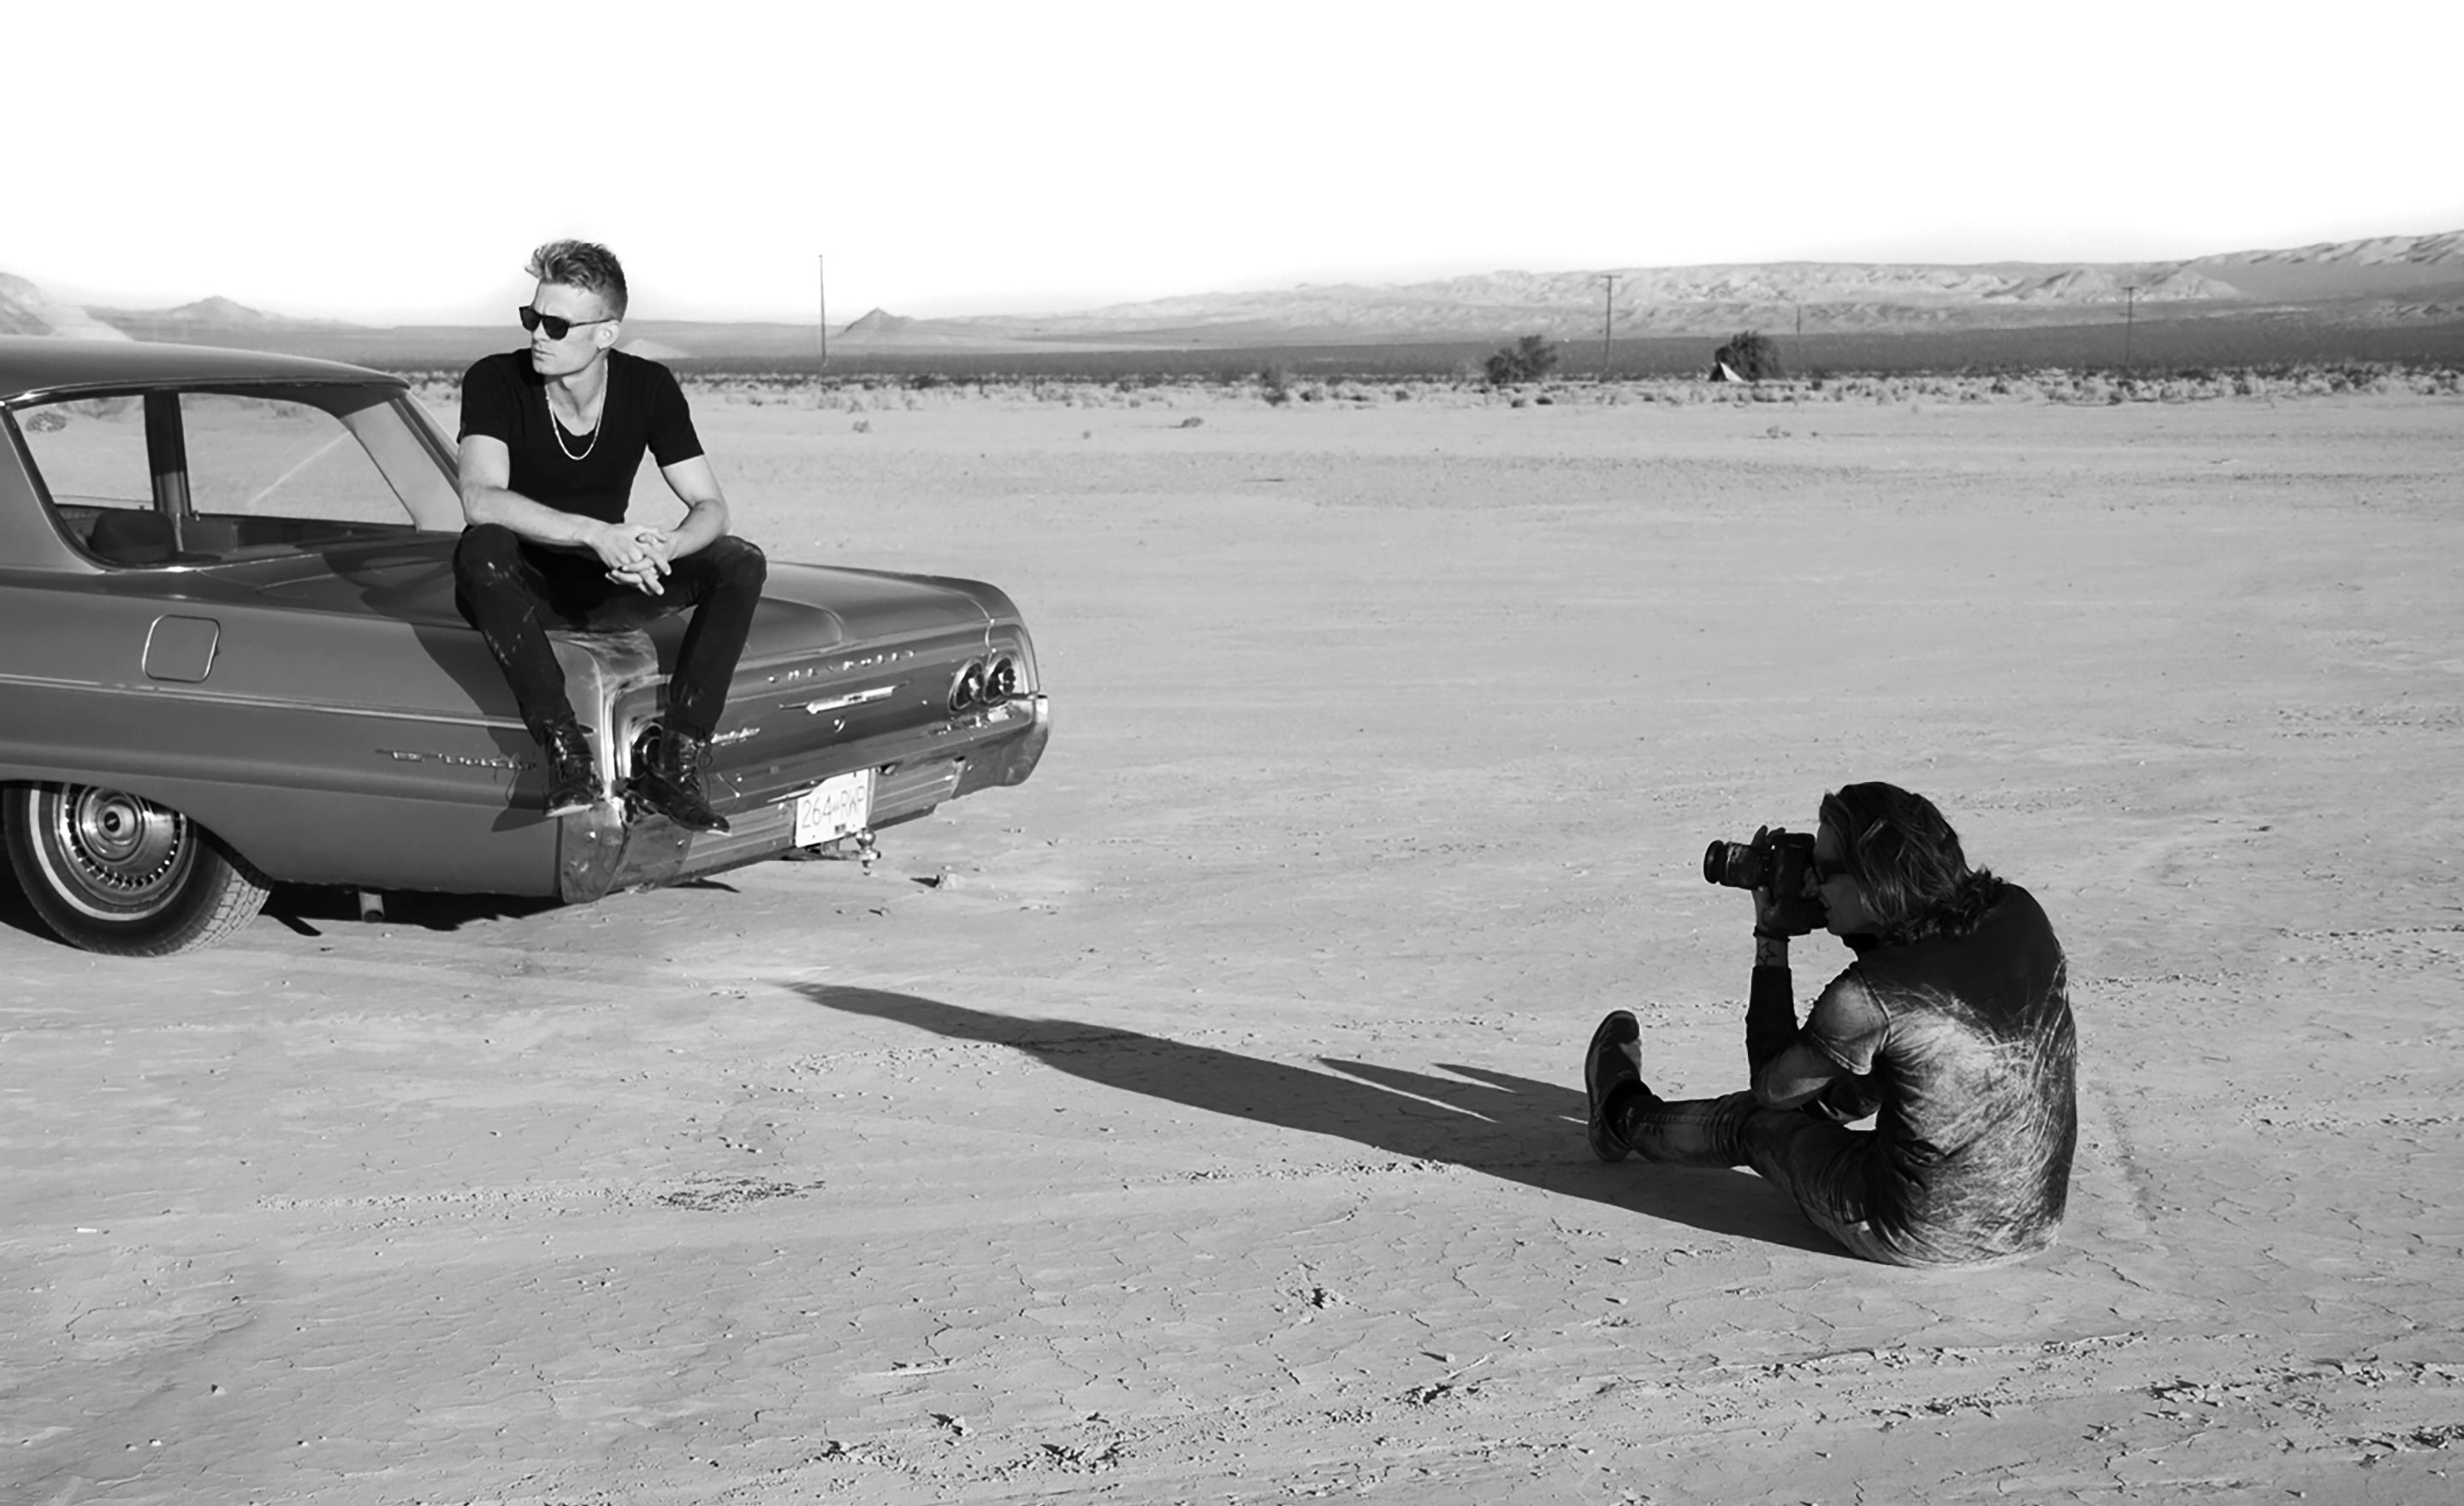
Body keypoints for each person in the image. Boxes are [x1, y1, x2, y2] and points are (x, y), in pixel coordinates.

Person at [1584, 782, 2077, 1268]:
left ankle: (1622, 1116)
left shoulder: (1868, 996)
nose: (1811, 884)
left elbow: (1772, 1089)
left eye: (1821, 870)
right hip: (2033, 1218)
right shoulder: (2021, 913)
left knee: (1753, 1123)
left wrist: (1772, 937)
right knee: (1890, 1064)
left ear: (1873, 878)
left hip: (1917, 1231)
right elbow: (1915, 973)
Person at [453, 240, 766, 832]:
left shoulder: (648, 387)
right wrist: (598, 535)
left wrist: (665, 546)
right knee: (483, 549)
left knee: (739, 562)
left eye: (555, 324)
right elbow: (480, 498)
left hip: (603, 584)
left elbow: (710, 506)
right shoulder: (495, 381)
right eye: (531, 318)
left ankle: (678, 760)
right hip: (522, 585)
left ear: (605, 334)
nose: (537, 335)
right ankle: (567, 755)